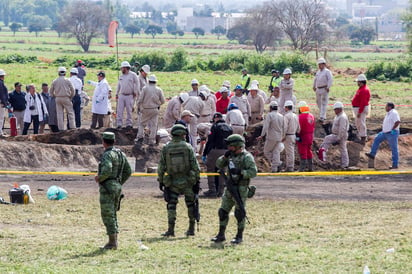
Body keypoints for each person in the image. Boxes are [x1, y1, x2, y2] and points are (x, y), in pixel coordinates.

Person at [211, 134, 257, 244]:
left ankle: (239, 236)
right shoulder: (230, 155)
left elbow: (253, 172)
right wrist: (224, 157)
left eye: (230, 145)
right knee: (223, 211)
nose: (228, 147)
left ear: (237, 145)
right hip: (230, 187)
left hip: (241, 188)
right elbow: (218, 164)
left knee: (239, 212)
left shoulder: (247, 157)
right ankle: (221, 235)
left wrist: (241, 172)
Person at [158, 124, 200, 237]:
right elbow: (195, 166)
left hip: (172, 182)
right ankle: (191, 229)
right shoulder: (188, 147)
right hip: (188, 181)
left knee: (171, 205)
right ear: (182, 134)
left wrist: (161, 180)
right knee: (191, 205)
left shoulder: (166, 147)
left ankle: (171, 230)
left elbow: (161, 165)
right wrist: (197, 180)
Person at [95, 132, 132, 250]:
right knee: (113, 214)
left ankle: (112, 243)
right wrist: (118, 182)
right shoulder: (120, 154)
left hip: (107, 187)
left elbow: (107, 170)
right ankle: (113, 240)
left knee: (108, 215)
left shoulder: (107, 155)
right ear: (114, 141)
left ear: (103, 142)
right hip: (117, 186)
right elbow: (128, 171)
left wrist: (99, 178)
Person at [202, 112, 233, 197]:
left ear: (215, 119)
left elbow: (210, 141)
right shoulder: (229, 127)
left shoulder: (215, 127)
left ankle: (212, 190)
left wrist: (205, 153)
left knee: (211, 170)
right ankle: (221, 191)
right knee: (222, 171)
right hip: (226, 151)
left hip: (215, 150)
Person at [365, 102, 400, 169]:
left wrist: (392, 130)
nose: (385, 108)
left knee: (394, 149)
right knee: (377, 139)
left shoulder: (394, 113)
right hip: (385, 132)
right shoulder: (388, 113)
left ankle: (395, 164)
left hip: (392, 133)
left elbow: (397, 122)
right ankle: (372, 154)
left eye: (386, 106)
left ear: (390, 107)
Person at [135, 75, 165, 145]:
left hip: (145, 109)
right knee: (154, 125)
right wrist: (158, 104)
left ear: (149, 81)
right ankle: (151, 141)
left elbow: (140, 99)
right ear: (155, 82)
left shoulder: (145, 88)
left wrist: (138, 106)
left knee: (142, 124)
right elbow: (163, 101)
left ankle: (140, 138)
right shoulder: (159, 89)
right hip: (154, 109)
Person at [318, 102, 349, 169]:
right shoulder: (338, 116)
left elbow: (342, 129)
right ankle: (344, 164)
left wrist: (338, 138)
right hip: (337, 134)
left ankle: (322, 154)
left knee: (342, 148)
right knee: (343, 149)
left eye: (335, 109)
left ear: (339, 109)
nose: (334, 111)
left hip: (340, 135)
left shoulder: (342, 117)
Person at [257, 101, 284, 172]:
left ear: (271, 108)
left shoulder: (269, 115)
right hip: (279, 136)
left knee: (266, 151)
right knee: (276, 152)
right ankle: (275, 168)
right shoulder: (281, 116)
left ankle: (277, 163)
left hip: (271, 137)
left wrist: (262, 135)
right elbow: (284, 127)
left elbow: (266, 126)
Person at [49, 67, 75, 131]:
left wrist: (54, 96)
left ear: (58, 73)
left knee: (59, 114)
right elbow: (73, 90)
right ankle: (72, 127)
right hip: (66, 97)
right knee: (70, 112)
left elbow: (51, 91)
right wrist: (70, 96)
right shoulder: (67, 80)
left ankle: (61, 128)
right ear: (65, 73)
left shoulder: (55, 81)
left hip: (58, 98)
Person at [116, 61, 139, 129]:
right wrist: (117, 93)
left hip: (130, 95)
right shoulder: (121, 76)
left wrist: (136, 92)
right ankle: (119, 124)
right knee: (120, 111)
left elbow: (137, 83)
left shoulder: (133, 75)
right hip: (122, 95)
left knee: (129, 111)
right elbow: (119, 85)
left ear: (126, 68)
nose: (121, 69)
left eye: (122, 68)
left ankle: (129, 124)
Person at [352, 73, 371, 145]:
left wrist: (360, 111)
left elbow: (363, 102)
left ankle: (363, 138)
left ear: (361, 82)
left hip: (360, 108)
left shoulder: (364, 90)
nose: (357, 83)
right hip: (358, 108)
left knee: (361, 122)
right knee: (359, 122)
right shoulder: (362, 89)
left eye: (358, 82)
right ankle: (362, 136)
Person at [296, 101, 315, 172]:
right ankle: (310, 167)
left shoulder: (300, 117)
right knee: (309, 151)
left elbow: (298, 128)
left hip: (303, 136)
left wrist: (297, 136)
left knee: (303, 151)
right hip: (310, 136)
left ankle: (302, 168)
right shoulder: (311, 116)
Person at [313, 57, 333, 123]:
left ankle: (322, 116)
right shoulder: (318, 72)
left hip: (324, 88)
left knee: (324, 102)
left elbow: (330, 79)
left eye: (321, 64)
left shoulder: (327, 72)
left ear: (324, 64)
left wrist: (328, 86)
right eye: (319, 64)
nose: (320, 66)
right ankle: (322, 113)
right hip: (318, 88)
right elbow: (315, 79)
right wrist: (314, 86)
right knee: (318, 102)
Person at [282, 100, 300, 172]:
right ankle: (290, 166)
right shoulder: (295, 116)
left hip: (288, 135)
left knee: (289, 152)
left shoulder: (286, 116)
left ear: (286, 107)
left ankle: (290, 167)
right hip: (294, 135)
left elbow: (285, 127)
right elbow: (299, 127)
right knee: (291, 151)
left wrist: (283, 136)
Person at [0, 69, 10, 136]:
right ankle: (0, 132)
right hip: (0, 103)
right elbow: (2, 94)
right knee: (1, 118)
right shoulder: (1, 83)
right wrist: (4, 103)